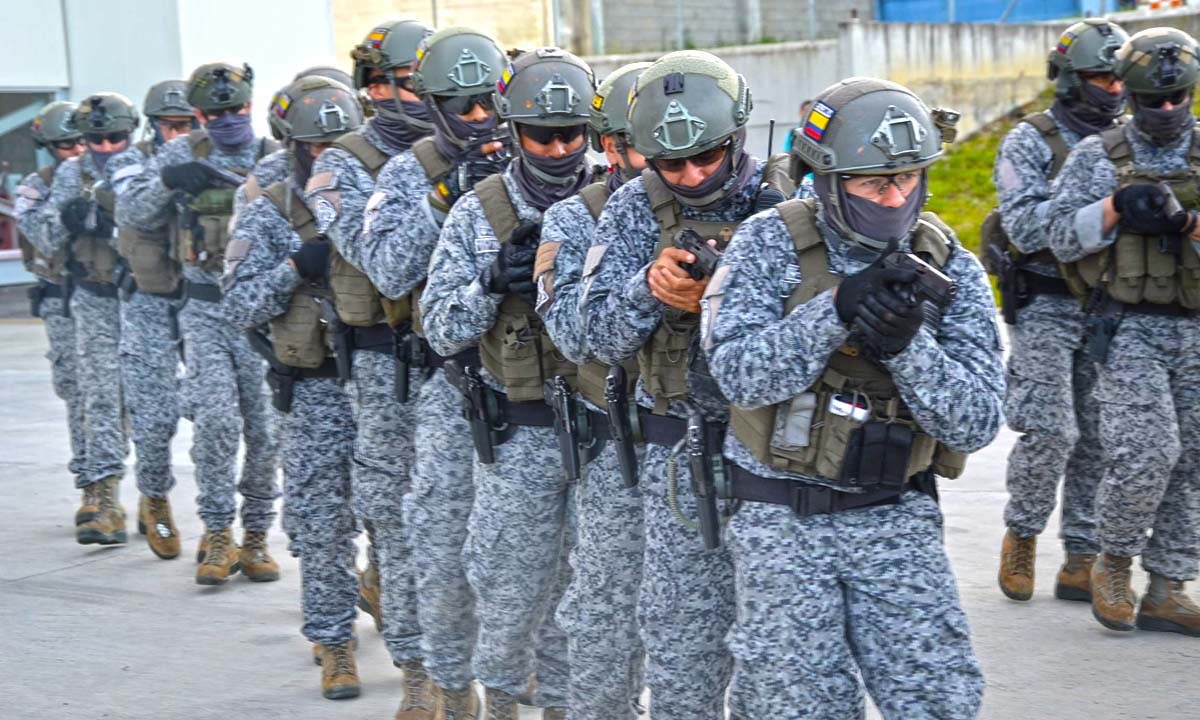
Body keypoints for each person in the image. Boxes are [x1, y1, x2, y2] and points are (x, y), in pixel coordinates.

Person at [704, 76, 999, 718]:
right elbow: (737, 374)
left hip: (894, 516)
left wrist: (908, 348)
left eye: (907, 179)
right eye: (873, 183)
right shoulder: (767, 243)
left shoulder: (949, 264)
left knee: (937, 699)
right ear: (830, 181)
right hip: (781, 521)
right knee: (794, 703)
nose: (894, 197)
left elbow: (977, 420)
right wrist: (834, 309)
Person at [579, 50, 792, 720]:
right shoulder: (631, 209)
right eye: (672, 164)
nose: (693, 176)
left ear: (738, 135)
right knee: (681, 649)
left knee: (780, 653)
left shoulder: (792, 205)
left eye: (707, 156)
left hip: (776, 454)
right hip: (678, 452)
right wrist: (649, 288)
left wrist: (727, 298)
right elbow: (594, 338)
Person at [420, 46, 597, 720]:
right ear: (514, 130)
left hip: (601, 432)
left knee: (589, 589)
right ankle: (494, 698)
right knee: (509, 586)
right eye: (541, 135)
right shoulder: (479, 210)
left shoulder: (614, 201)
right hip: (519, 433)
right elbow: (440, 326)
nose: (558, 150)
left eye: (571, 134)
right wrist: (489, 282)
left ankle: (563, 705)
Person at [353, 25, 509, 718]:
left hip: (527, 381)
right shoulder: (407, 171)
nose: (478, 118)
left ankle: (514, 671)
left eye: (487, 103)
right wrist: (443, 198)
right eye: (460, 106)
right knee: (432, 536)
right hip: (437, 378)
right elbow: (386, 270)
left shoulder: (537, 153)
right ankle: (429, 674)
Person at [301, 18, 439, 703]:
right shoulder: (341, 165)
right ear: (373, 88)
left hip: (474, 362)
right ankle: (418, 668)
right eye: (409, 84)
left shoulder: (483, 152)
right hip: (390, 364)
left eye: (426, 85)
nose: (421, 98)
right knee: (398, 515)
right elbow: (381, 262)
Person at [1046, 26, 1200, 636]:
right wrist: (1113, 209)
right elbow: (1058, 236)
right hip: (1128, 326)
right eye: (1152, 101)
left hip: (1195, 327)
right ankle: (1113, 562)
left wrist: (1186, 223)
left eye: (1177, 98)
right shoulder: (1097, 156)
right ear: (1130, 96)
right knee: (1146, 453)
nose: (1166, 109)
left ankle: (1168, 587)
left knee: (1193, 459)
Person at [223, 74, 366, 699]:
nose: (328, 158)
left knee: (396, 518)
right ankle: (335, 642)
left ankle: (390, 608)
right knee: (323, 521)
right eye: (315, 147)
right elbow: (237, 305)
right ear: (294, 147)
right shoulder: (272, 211)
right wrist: (292, 268)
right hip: (314, 390)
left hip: (384, 385)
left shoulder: (378, 202)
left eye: (341, 145)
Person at [117, 62, 282, 585]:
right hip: (204, 309)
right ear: (198, 114)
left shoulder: (274, 158)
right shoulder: (178, 153)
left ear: (250, 105)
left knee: (264, 430)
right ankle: (217, 532)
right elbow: (132, 213)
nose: (227, 119)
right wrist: (168, 180)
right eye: (214, 112)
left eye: (235, 109)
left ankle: (256, 535)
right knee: (215, 422)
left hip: (262, 316)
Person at [992, 18, 1129, 603]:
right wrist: (1106, 211)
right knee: (1050, 430)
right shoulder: (1031, 140)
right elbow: (1025, 227)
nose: (1113, 89)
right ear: (1071, 78)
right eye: (1101, 77)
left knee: (1098, 435)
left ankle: (1081, 555)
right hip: (1046, 301)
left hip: (1108, 304)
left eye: (1119, 79)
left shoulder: (1130, 141)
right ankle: (1022, 535)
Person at [535, 60, 650, 720]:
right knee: (606, 610)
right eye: (645, 145)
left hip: (716, 447)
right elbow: (574, 337)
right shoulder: (575, 220)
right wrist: (650, 283)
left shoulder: (739, 210)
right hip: (618, 446)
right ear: (610, 146)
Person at [36, 94, 137, 546]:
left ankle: (154, 497)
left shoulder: (144, 166)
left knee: (148, 401)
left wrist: (109, 227)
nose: (102, 147)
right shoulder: (66, 177)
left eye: (115, 137)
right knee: (96, 396)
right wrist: (68, 216)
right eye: (95, 139)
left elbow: (158, 230)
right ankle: (102, 495)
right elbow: (42, 237)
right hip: (92, 295)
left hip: (146, 299)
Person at [103, 79, 196, 559]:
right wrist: (171, 172)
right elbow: (134, 210)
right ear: (153, 126)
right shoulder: (130, 163)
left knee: (217, 413)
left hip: (206, 301)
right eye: (170, 126)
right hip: (149, 301)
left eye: (187, 124)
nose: (179, 134)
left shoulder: (219, 155)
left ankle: (229, 526)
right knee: (155, 412)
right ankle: (155, 497)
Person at [14, 101, 88, 524]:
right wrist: (68, 198)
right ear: (49, 147)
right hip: (62, 301)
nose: (78, 151)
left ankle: (145, 492)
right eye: (66, 145)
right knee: (77, 392)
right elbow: (42, 236)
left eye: (82, 142)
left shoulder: (115, 176)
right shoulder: (36, 187)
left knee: (125, 395)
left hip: (114, 300)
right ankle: (93, 485)